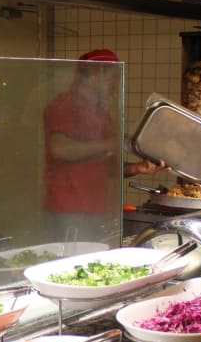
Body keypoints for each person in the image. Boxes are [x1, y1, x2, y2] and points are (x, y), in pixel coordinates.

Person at [43, 49, 165, 242]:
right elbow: (59, 149)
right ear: (92, 75)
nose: (115, 83)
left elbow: (105, 166)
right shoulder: (64, 105)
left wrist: (137, 168)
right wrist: (110, 143)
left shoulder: (101, 114)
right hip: (70, 210)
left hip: (98, 209)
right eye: (111, 76)